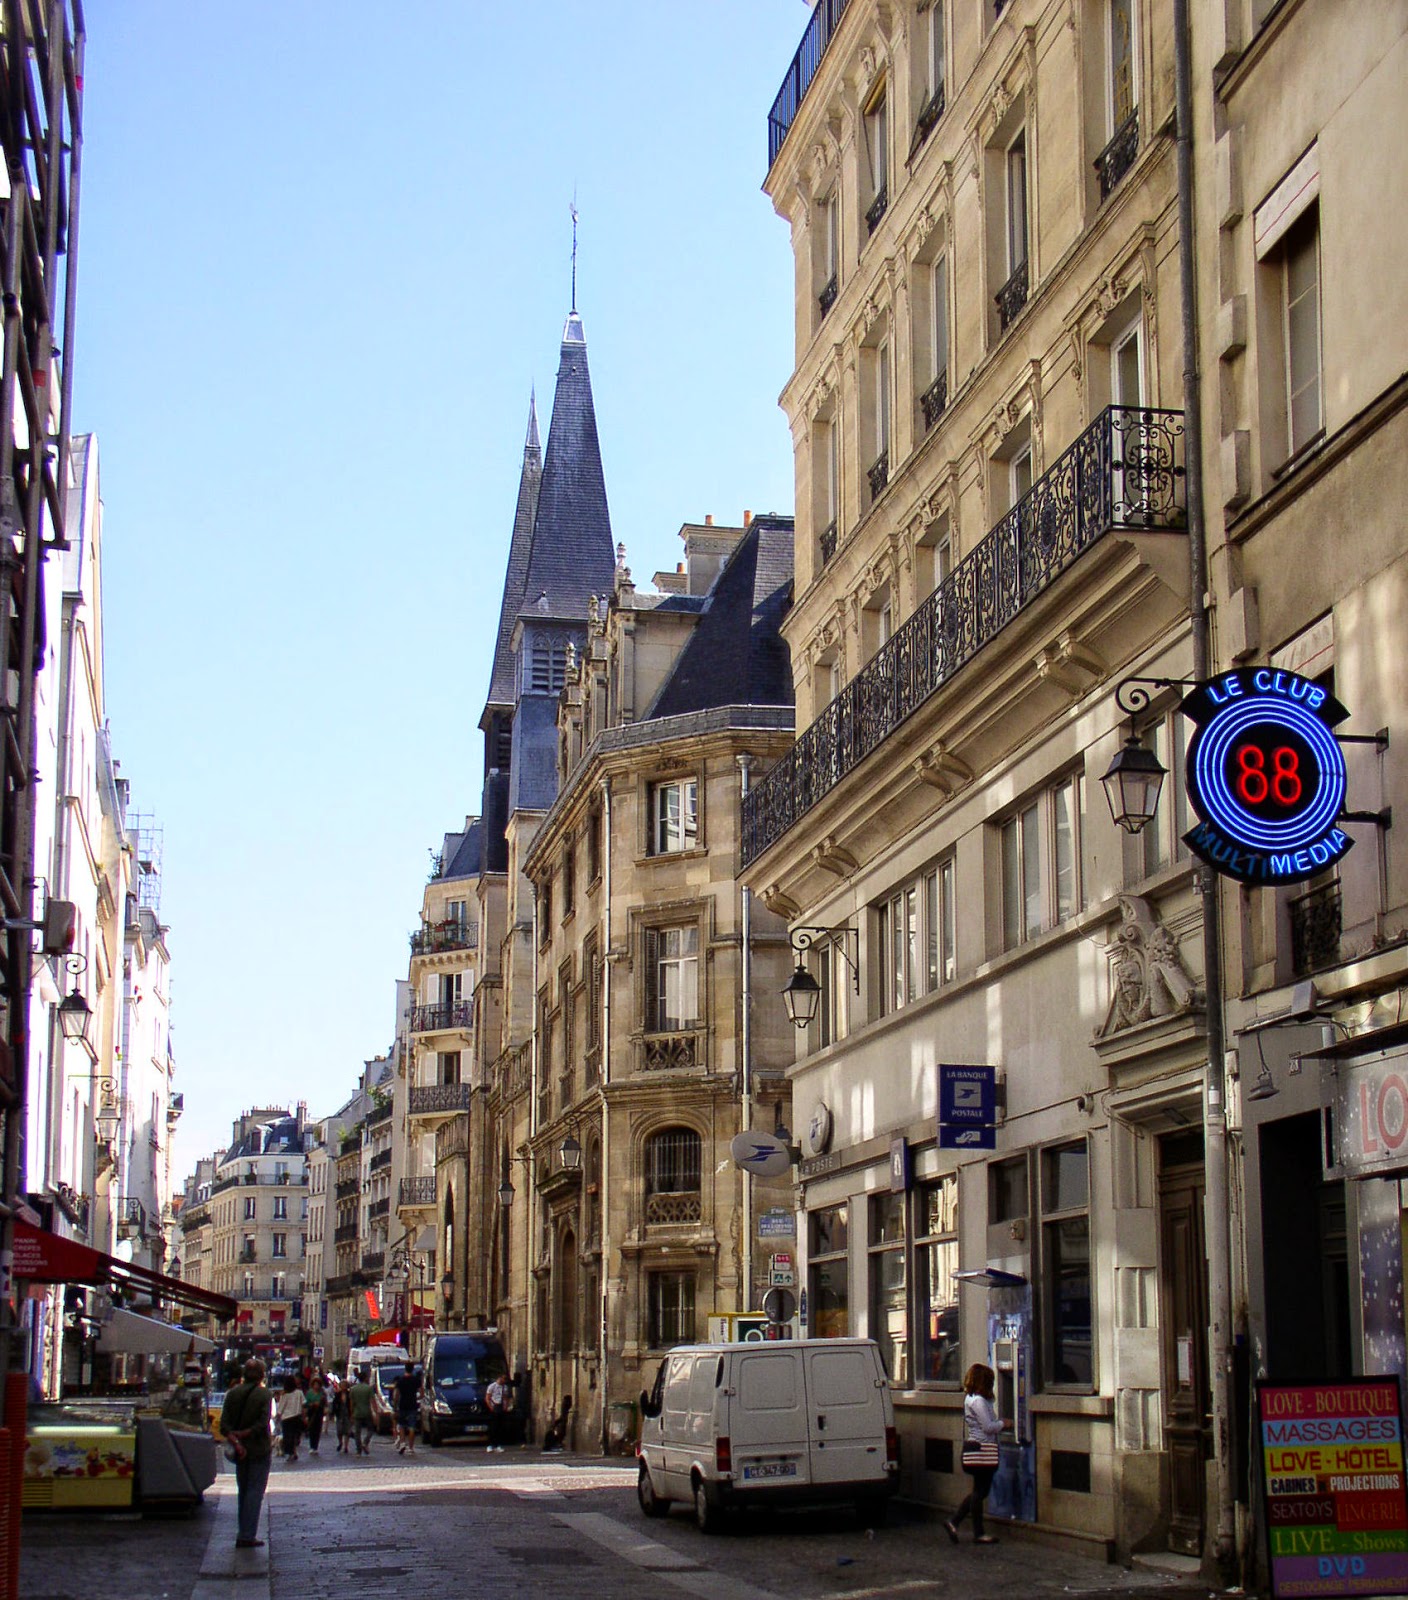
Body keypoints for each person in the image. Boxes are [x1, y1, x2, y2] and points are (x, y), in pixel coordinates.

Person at [946, 1362, 1011, 1546]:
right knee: (981, 1492)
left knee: (978, 1491)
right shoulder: (978, 1401)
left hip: (977, 1448)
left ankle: (961, 1526)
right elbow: (988, 1427)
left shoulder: (970, 1398)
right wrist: (1004, 1424)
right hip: (983, 1449)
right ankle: (964, 1526)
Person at [220, 1359, 273, 1549]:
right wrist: (246, 1434)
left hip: (238, 1450)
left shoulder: (232, 1393)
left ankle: (243, 1531)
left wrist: (236, 1440)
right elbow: (262, 1423)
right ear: (262, 1375)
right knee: (254, 1491)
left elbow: (224, 1426)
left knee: (243, 1490)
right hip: (259, 1448)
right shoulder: (264, 1394)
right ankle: (247, 1535)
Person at [275, 1372, 306, 1463]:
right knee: (294, 1435)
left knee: (288, 1436)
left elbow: (281, 1407)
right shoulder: (299, 1393)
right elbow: (304, 1404)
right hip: (297, 1416)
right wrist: (304, 1416)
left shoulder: (284, 1395)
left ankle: (290, 1453)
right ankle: (294, 1451)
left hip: (286, 1418)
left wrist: (278, 1416)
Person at [394, 1363, 422, 1455]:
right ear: (412, 1369)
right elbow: (421, 1393)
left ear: (405, 1369)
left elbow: (396, 1395)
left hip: (402, 1405)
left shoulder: (400, 1380)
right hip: (413, 1405)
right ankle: (411, 1447)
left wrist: (395, 1406)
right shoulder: (416, 1380)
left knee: (402, 1425)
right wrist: (416, 1398)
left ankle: (402, 1443)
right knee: (412, 1426)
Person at [348, 1367, 376, 1455]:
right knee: (370, 1429)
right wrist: (375, 1412)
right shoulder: (369, 1388)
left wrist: (351, 1413)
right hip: (367, 1412)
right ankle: (365, 1442)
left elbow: (351, 1403)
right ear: (365, 1378)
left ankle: (358, 1450)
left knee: (357, 1432)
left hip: (357, 1412)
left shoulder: (353, 1389)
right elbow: (372, 1401)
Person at [484, 1371, 509, 1453]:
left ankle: (498, 1444)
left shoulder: (505, 1387)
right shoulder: (492, 1386)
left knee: (500, 1427)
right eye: (504, 1378)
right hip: (494, 1406)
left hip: (500, 1406)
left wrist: (505, 1406)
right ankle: (490, 1445)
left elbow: (505, 1398)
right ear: (500, 1378)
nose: (504, 1380)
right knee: (493, 1427)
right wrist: (491, 1407)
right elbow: (487, 1398)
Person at [303, 1375, 327, 1455]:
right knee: (311, 1429)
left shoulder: (322, 1393)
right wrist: (312, 1404)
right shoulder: (309, 1393)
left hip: (319, 1413)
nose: (316, 1386)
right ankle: (311, 1446)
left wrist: (321, 1405)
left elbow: (325, 1403)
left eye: (318, 1384)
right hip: (311, 1412)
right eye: (315, 1384)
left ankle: (315, 1447)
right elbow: (306, 1403)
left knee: (317, 1430)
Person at [330, 1375, 352, 1454]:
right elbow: (334, 1404)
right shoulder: (337, 1395)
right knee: (339, 1430)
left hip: (347, 1414)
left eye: (345, 1385)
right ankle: (340, 1442)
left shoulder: (349, 1394)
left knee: (347, 1431)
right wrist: (332, 1414)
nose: (343, 1387)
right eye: (342, 1385)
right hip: (339, 1414)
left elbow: (352, 1404)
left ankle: (346, 1446)